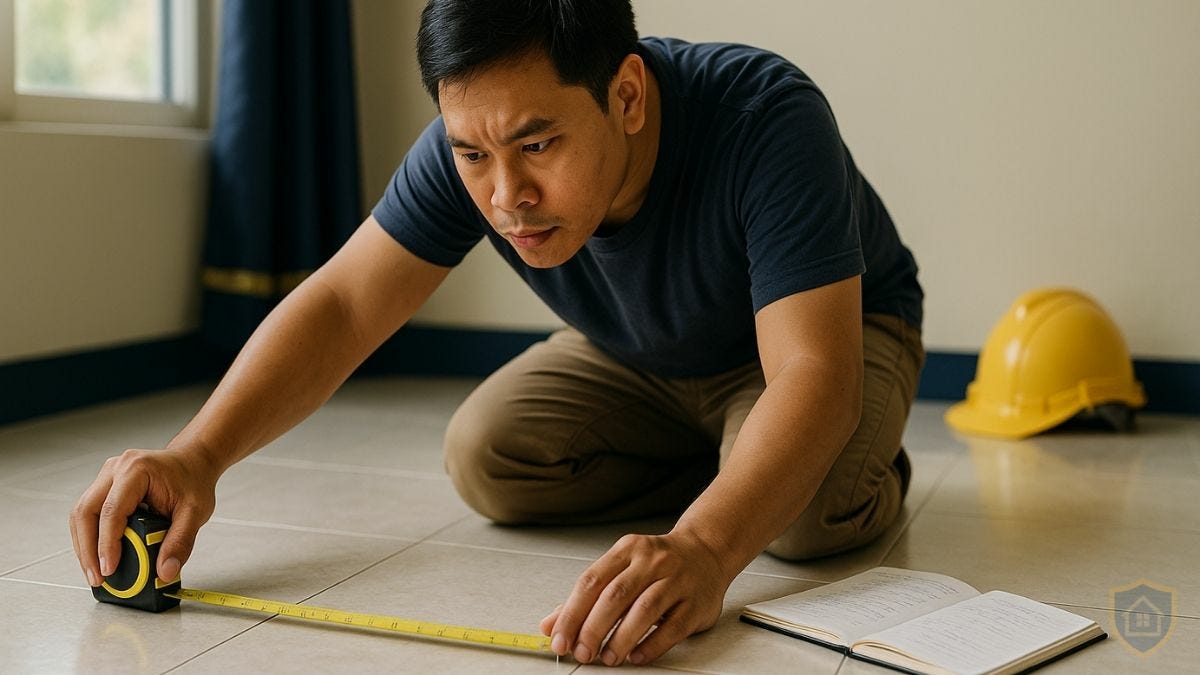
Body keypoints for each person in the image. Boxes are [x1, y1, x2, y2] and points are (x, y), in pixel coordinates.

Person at [70, 0, 924, 666]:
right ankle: (733, 462)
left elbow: (813, 370)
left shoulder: (767, 115)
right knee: (488, 456)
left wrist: (704, 545)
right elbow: (343, 304)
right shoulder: (476, 142)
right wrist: (197, 454)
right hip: (641, 353)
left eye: (538, 143)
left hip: (819, 340)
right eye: (472, 154)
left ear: (625, 94)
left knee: (800, 518)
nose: (504, 193)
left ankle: (789, 467)